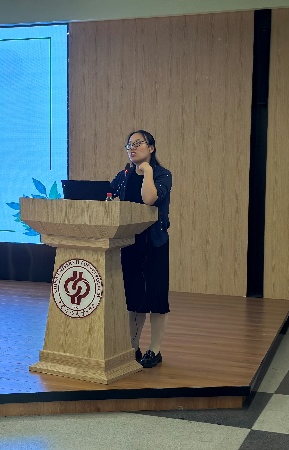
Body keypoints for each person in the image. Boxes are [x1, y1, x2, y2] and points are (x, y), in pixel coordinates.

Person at [110, 130, 172, 368]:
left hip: (154, 243)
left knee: (156, 298)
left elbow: (149, 199)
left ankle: (154, 350)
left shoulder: (162, 174)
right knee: (134, 298)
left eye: (138, 143)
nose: (132, 148)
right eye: (129, 145)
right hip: (129, 243)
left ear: (151, 148)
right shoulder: (124, 175)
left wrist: (147, 171)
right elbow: (107, 198)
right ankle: (132, 347)